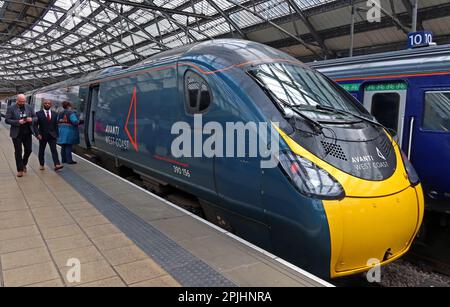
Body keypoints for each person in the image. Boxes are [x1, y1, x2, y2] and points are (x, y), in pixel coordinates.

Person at [5, 94, 36, 177]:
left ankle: (23, 163)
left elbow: (35, 117)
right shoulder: (11, 108)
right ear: (17, 100)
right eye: (21, 101)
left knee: (29, 150)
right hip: (17, 134)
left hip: (27, 133)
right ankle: (20, 170)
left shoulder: (29, 107)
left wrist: (31, 119)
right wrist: (17, 122)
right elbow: (7, 120)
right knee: (18, 151)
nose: (22, 103)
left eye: (24, 101)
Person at [34, 99, 64, 171]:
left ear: (51, 105)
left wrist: (57, 134)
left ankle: (57, 164)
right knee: (41, 150)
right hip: (42, 135)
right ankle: (41, 164)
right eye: (46, 103)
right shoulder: (38, 113)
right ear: (43, 104)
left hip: (52, 135)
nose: (47, 104)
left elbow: (56, 125)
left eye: (49, 103)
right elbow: (35, 125)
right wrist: (37, 134)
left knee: (54, 150)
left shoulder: (55, 114)